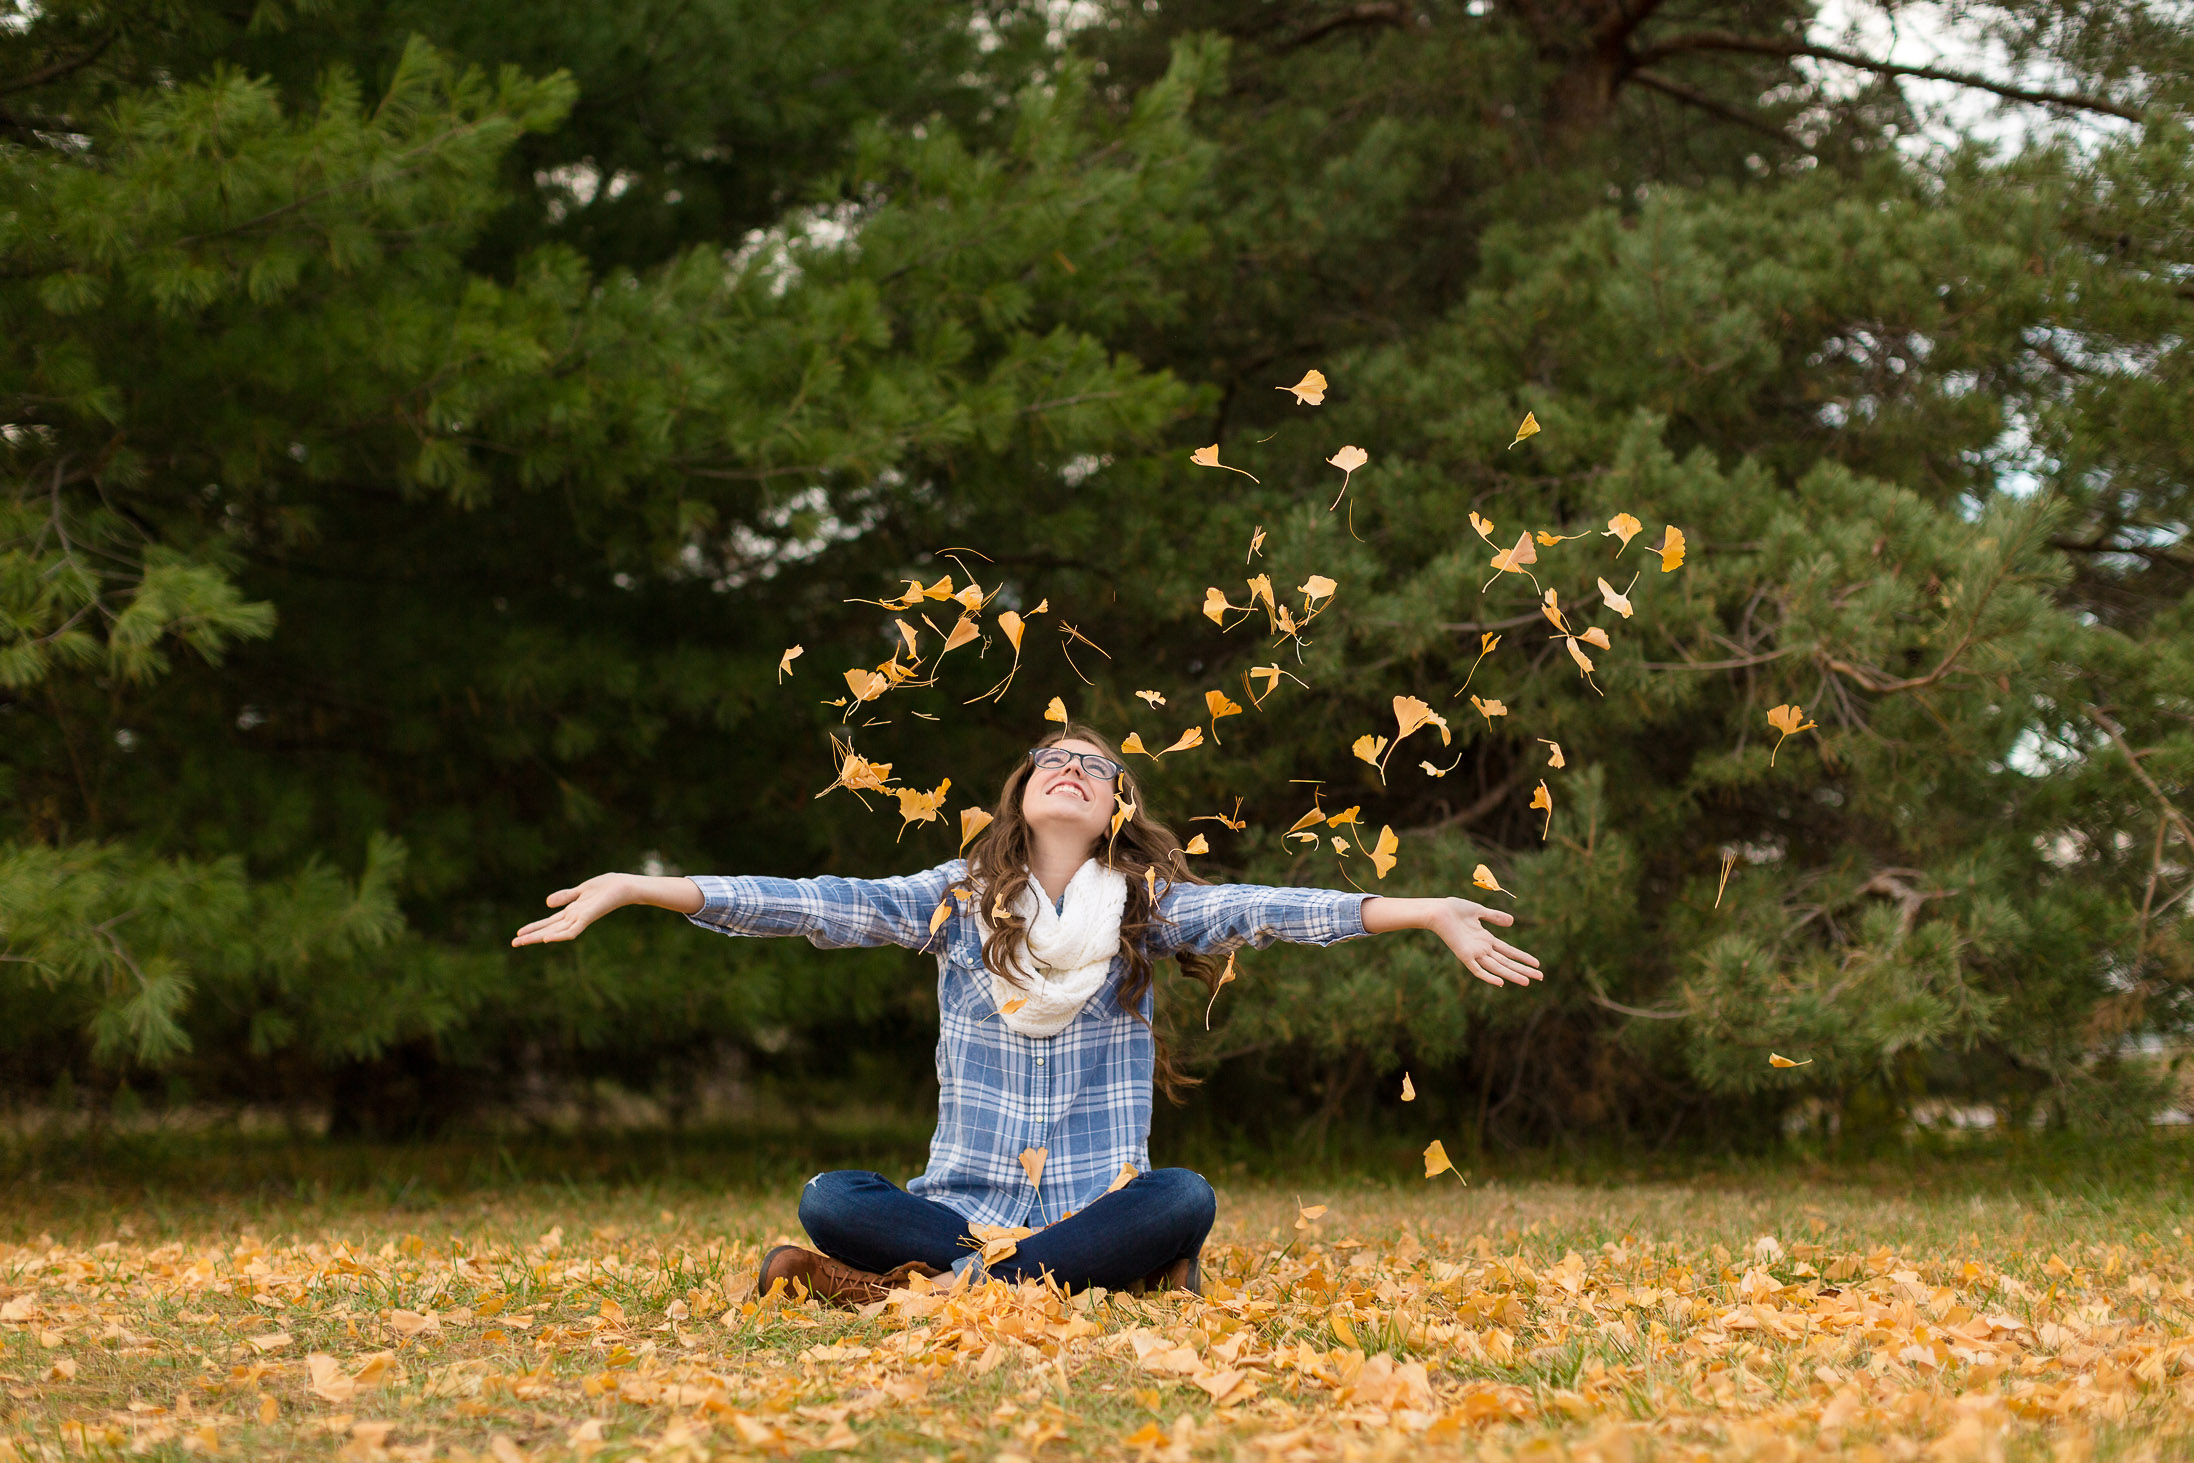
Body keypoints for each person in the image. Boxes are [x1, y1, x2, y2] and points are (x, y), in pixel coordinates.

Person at [511, 721, 1544, 1306]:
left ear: (1113, 809)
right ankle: (1075, 1279)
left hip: (1095, 1199)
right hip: (961, 1200)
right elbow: (813, 901)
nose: (1073, 767)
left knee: (1182, 1193)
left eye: (1097, 767)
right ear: (1020, 797)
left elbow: (1272, 910)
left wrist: (1429, 911)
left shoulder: (1149, 911)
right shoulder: (953, 900)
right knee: (830, 1194)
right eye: (1054, 756)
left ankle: (918, 1291)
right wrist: (642, 887)